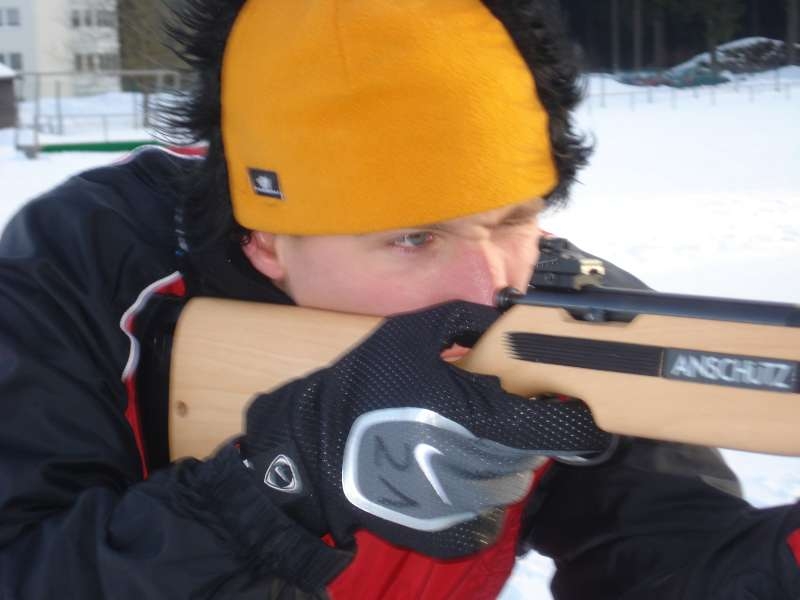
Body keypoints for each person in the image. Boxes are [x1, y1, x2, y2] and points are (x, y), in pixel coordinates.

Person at [0, 1, 798, 598]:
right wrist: (279, 487)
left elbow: (669, 557)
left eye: (514, 220)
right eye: (415, 238)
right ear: (266, 240)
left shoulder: (564, 313)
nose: (492, 287)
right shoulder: (86, 275)